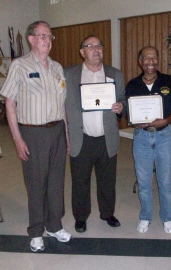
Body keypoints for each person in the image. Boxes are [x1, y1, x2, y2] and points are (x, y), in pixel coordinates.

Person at [0, 21, 71, 252]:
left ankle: (54, 225)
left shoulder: (57, 67)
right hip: (33, 132)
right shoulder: (19, 66)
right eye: (42, 36)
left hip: (57, 130)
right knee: (36, 184)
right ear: (31, 39)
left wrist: (67, 136)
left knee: (56, 182)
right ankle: (36, 231)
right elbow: (10, 104)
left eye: (50, 37)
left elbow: (62, 107)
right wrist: (18, 138)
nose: (47, 41)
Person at [64, 35, 125, 233]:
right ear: (82, 52)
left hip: (106, 138)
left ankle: (107, 213)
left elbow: (123, 98)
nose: (96, 49)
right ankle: (81, 217)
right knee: (80, 182)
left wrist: (120, 106)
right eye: (90, 46)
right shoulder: (69, 74)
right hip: (81, 138)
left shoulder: (115, 74)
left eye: (99, 45)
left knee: (107, 181)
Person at [125, 46, 171, 234]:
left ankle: (167, 218)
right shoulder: (132, 85)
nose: (151, 62)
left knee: (165, 181)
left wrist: (166, 120)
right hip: (141, 137)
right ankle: (145, 217)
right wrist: (135, 122)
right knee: (143, 181)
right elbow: (129, 112)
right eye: (147, 59)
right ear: (140, 61)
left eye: (154, 58)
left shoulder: (169, 81)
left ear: (158, 60)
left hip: (163, 136)